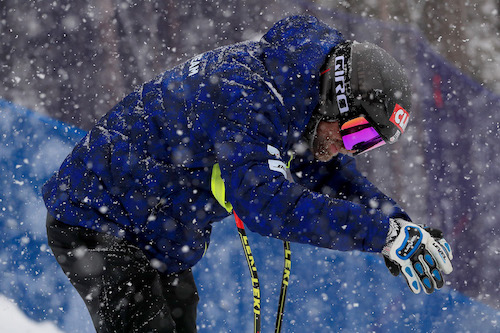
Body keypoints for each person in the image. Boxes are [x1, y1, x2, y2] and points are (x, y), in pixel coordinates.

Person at [43, 15, 453, 332]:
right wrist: (382, 235)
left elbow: (333, 178)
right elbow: (268, 205)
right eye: (357, 132)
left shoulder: (298, 98)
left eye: (368, 144)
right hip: (97, 220)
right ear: (335, 98)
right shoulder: (246, 96)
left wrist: (399, 226)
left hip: (157, 232)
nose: (350, 148)